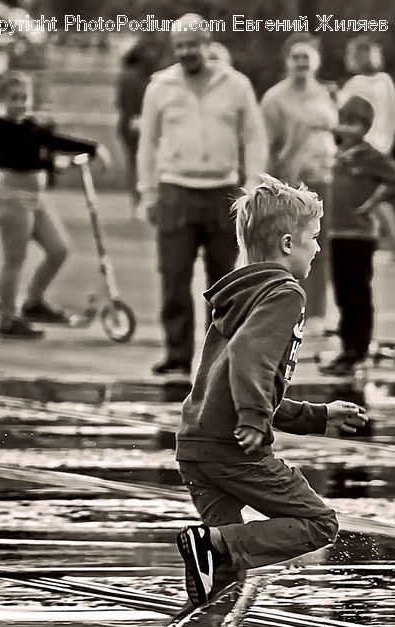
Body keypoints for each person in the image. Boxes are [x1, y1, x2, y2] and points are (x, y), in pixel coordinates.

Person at [146, 175, 368, 627]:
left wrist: (316, 416)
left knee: (227, 567)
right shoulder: (284, 293)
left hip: (198, 444)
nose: (316, 251)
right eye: (313, 240)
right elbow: (252, 361)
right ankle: (213, 545)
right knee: (319, 524)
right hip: (232, 444)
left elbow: (247, 379)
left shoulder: (242, 295)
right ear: (288, 244)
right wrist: (251, 420)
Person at [137, 14, 267, 376]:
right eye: (179, 46)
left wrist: (253, 184)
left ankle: (222, 357)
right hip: (175, 188)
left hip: (222, 190)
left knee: (224, 278)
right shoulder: (159, 87)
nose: (185, 53)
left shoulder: (236, 85)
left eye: (191, 45)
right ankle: (177, 356)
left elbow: (253, 136)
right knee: (174, 276)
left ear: (206, 45)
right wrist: (147, 192)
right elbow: (147, 144)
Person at [0, 73, 109, 339]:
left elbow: (55, 141)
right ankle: (8, 318)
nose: (20, 104)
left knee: (59, 249)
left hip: (34, 198)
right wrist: (52, 165)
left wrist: (94, 148)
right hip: (11, 198)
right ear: (1, 100)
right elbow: (16, 158)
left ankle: (33, 302)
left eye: (24, 98)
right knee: (14, 260)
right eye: (13, 98)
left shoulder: (30, 125)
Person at [319, 96, 395, 377]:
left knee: (357, 293)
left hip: (359, 234)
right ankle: (346, 346)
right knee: (341, 293)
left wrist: (376, 200)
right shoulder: (337, 156)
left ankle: (357, 349)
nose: (348, 129)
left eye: (355, 124)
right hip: (336, 232)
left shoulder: (370, 156)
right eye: (345, 122)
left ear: (365, 127)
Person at [260, 33, 338, 335]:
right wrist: (264, 184)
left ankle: (317, 313)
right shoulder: (275, 99)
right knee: (287, 247)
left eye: (307, 57)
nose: (302, 63)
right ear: (287, 61)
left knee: (319, 246)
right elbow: (266, 144)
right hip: (291, 183)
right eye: (296, 57)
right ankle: (283, 307)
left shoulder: (327, 94)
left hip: (325, 178)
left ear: (317, 61)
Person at [339, 36, 395, 263]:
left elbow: (342, 108)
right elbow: (394, 110)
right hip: (384, 143)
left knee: (371, 197)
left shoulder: (356, 84)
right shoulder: (385, 81)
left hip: (365, 144)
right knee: (379, 196)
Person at [115, 39, 163, 214]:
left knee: (134, 161)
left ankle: (137, 198)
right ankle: (140, 198)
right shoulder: (137, 76)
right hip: (136, 122)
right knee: (139, 161)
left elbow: (120, 102)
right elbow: (128, 102)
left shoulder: (129, 74)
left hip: (131, 122)